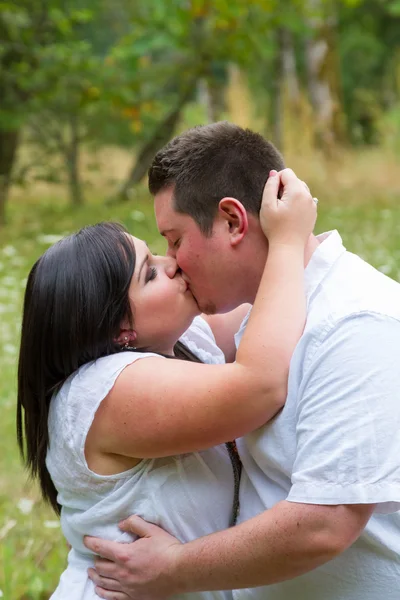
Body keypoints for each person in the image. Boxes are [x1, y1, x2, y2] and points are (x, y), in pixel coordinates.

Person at [85, 122, 400, 600]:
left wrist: (175, 568)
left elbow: (326, 523)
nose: (173, 263)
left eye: (174, 239)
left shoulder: (355, 322)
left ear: (233, 221)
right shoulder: (267, 311)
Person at [16, 168, 317, 600]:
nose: (172, 262)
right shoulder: (103, 391)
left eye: (159, 251)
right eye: (150, 274)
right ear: (120, 328)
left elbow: (260, 297)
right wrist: (288, 241)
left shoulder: (176, 341)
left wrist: (265, 218)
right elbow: (260, 385)